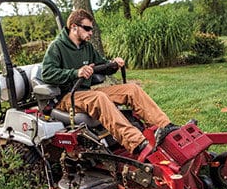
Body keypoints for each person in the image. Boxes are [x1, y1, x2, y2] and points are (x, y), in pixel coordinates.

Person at [41, 9, 179, 154]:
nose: (91, 33)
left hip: (86, 93)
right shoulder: (57, 46)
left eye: (91, 29)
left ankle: (165, 127)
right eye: (87, 28)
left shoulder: (86, 47)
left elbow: (102, 65)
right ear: (74, 27)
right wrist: (76, 72)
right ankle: (137, 143)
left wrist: (113, 64)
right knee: (99, 97)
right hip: (68, 96)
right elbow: (47, 73)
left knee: (131, 89)